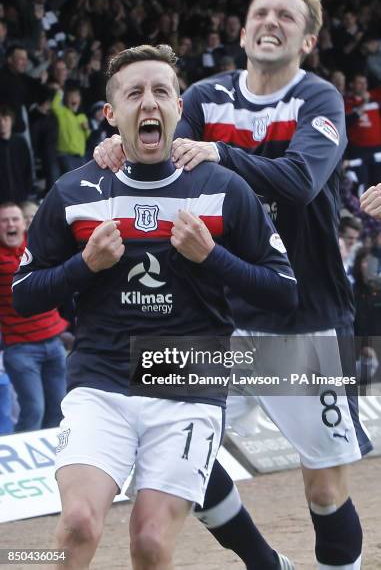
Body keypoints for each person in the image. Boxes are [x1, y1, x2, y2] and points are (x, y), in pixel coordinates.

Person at [94, 0, 372, 570]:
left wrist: (222, 154)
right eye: (261, 13)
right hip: (217, 313)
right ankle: (265, 563)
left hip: (304, 318)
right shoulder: (204, 98)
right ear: (243, 31)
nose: (271, 22)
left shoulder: (318, 99)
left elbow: (300, 182)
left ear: (308, 41)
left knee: (324, 487)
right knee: (161, 449)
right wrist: (116, 145)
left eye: (287, 17)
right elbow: (160, 152)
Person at [12, 44, 297, 570]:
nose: (149, 102)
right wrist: (84, 266)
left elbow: (283, 292)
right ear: (110, 113)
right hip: (100, 381)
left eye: (161, 91)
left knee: (148, 541)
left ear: (178, 107)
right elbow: (23, 292)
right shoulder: (75, 192)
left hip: (189, 387)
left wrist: (212, 256)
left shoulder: (222, 188)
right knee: (76, 525)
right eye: (134, 93)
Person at [0, 202, 67, 432]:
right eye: (4, 220)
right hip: (21, 350)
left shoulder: (36, 248)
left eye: (15, 219)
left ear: (24, 224)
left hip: (54, 343)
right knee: (34, 410)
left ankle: (51, 465)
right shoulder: (29, 255)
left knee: (58, 411)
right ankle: (18, 468)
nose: (10, 224)